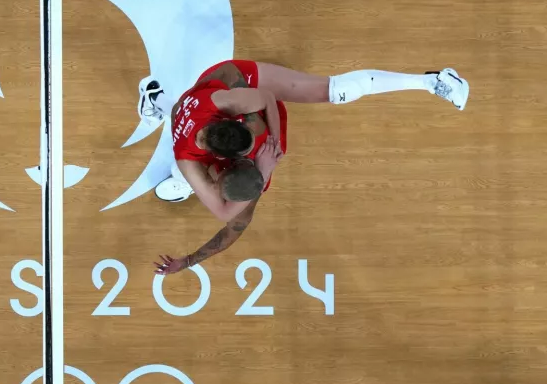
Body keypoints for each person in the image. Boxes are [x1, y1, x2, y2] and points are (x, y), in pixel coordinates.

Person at [139, 60, 470, 274]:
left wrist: (274, 143)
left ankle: (430, 81)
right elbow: (228, 218)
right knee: (189, 166)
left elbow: (266, 97)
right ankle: (155, 99)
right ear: (227, 162)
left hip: (234, 80)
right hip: (213, 122)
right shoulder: (198, 162)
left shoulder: (225, 104)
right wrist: (264, 168)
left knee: (335, 91)